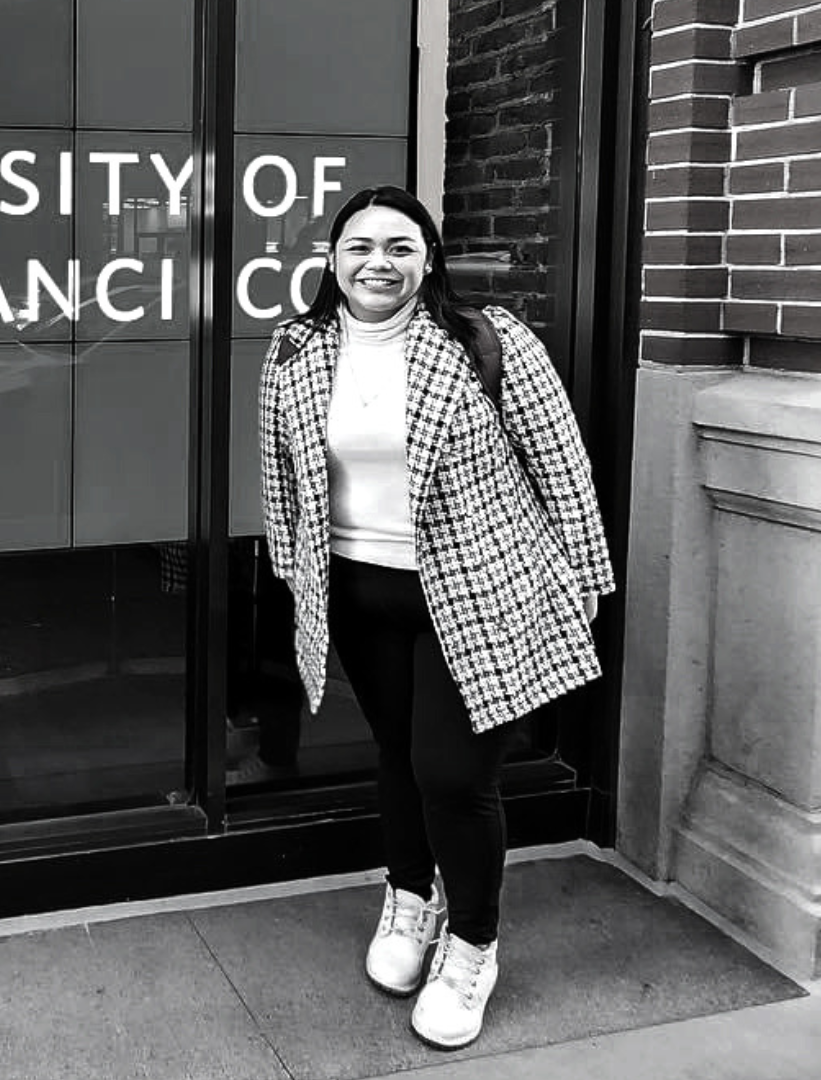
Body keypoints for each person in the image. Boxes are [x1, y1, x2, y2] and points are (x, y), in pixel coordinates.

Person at [258, 186, 614, 1049]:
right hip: (357, 590)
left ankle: (473, 946)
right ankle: (410, 896)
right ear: (333, 258)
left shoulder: (484, 340)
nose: (379, 262)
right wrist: (290, 568)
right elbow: (282, 474)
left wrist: (585, 578)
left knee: (453, 774)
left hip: (477, 591)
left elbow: (559, 461)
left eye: (400, 246)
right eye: (360, 246)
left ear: (428, 259)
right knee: (396, 753)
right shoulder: (296, 349)